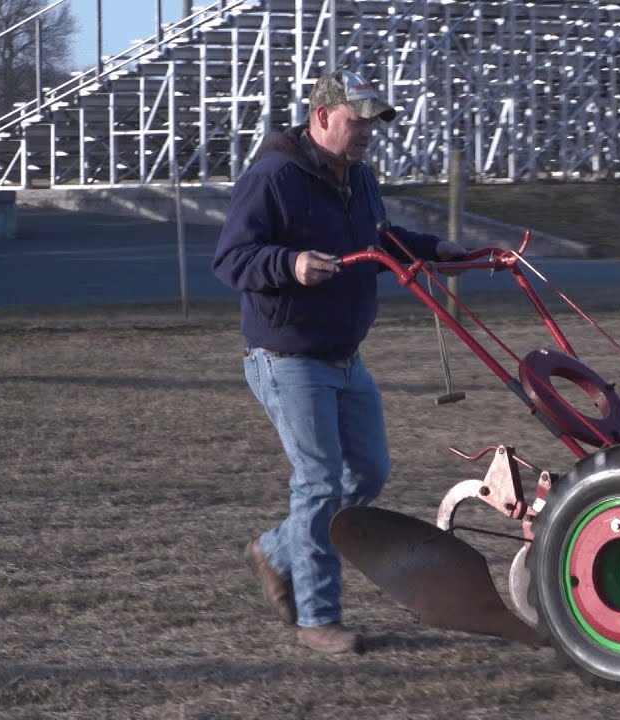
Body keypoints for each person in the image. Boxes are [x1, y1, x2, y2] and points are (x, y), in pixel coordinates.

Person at [212, 68, 465, 655]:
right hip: (288, 357)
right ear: (321, 117)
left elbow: (378, 241)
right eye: (357, 123)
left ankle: (275, 551)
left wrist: (435, 251)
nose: (368, 134)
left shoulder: (359, 178)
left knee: (369, 473)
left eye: (373, 124)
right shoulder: (272, 177)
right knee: (320, 483)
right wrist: (290, 265)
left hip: (345, 358)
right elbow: (232, 259)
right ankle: (317, 619)